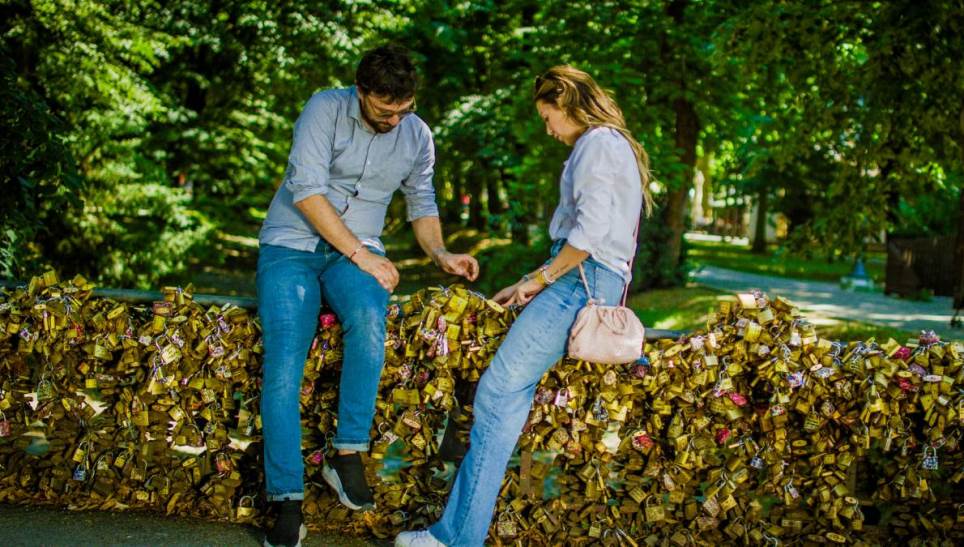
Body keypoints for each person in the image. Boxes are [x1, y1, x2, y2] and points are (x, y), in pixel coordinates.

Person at [395, 65, 654, 547]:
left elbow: (589, 237)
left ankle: (455, 538)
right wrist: (529, 284)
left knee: (498, 394)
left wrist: (540, 279)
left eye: (547, 116)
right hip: (580, 277)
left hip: (581, 280)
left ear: (568, 104)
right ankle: (458, 533)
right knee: (503, 394)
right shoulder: (608, 143)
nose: (548, 128)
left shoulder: (597, 143)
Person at [257, 44, 480, 547]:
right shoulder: (324, 108)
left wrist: (441, 253)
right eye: (384, 110)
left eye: (404, 109)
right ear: (361, 92)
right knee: (284, 365)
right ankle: (286, 499)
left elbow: (421, 200)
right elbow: (307, 190)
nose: (394, 119)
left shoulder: (417, 134)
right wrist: (362, 254)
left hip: (357, 254)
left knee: (370, 319)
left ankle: (347, 452)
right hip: (290, 246)